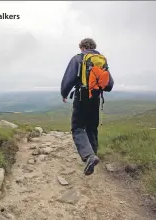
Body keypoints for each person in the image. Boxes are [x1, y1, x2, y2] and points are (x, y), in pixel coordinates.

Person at [60, 38, 114, 175]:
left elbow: (68, 79)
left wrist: (64, 93)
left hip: (82, 97)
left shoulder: (78, 59)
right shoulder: (101, 61)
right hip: (96, 98)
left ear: (82, 47)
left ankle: (89, 156)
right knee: (91, 127)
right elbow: (109, 85)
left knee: (77, 127)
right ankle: (93, 156)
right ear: (93, 47)